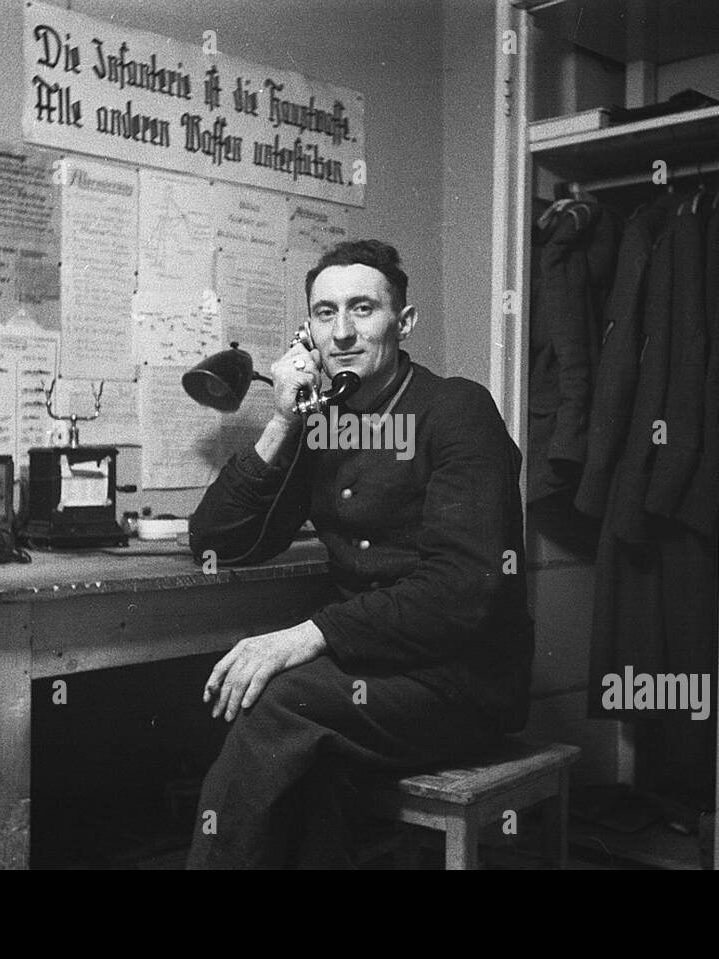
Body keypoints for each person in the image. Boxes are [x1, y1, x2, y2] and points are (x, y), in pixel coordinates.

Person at [185, 239, 533, 869]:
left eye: (363, 309)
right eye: (324, 314)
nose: (342, 332)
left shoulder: (457, 410)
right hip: (367, 668)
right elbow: (216, 540)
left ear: (403, 323)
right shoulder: (324, 420)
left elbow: (464, 588)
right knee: (261, 713)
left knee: (277, 700)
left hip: (461, 680)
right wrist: (282, 422)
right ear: (307, 334)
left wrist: (306, 635)